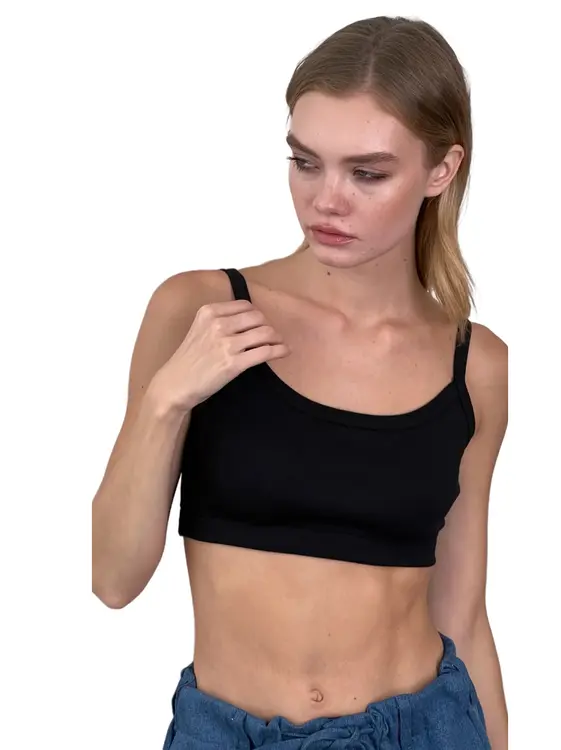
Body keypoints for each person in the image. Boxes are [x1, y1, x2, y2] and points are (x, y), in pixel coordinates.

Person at [92, 15, 508, 750]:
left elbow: (463, 616)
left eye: (368, 173)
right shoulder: (200, 310)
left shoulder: (474, 365)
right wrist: (168, 399)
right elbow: (112, 579)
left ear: (441, 171)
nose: (326, 200)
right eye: (305, 162)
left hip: (423, 731)